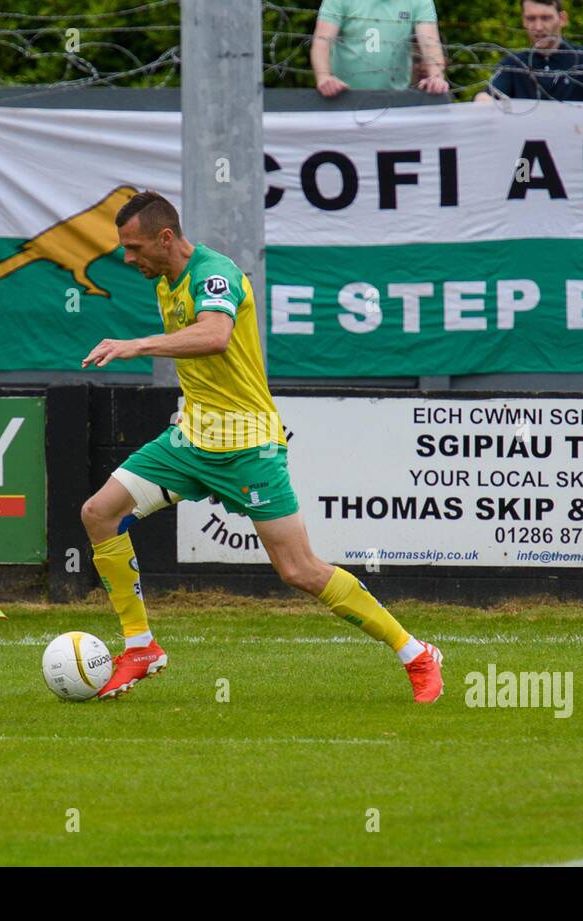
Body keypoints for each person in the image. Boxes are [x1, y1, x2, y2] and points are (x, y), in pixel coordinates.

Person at [80, 191, 444, 703]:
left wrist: (136, 345)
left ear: (166, 238)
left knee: (299, 571)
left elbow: (215, 336)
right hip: (190, 440)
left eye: (135, 247)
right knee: (98, 513)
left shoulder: (215, 274)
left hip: (247, 444)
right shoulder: (164, 280)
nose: (128, 259)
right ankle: (140, 646)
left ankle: (416, 653)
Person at [475, 0, 583, 104]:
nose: (538, 27)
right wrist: (482, 100)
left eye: (546, 18)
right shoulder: (513, 63)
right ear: (523, 20)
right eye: (531, 18)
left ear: (562, 19)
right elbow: (487, 96)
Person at [312, 0, 448, 97]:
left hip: (395, 99)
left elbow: (430, 42)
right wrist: (323, 77)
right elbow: (322, 41)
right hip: (342, 96)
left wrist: (436, 77)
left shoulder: (420, 2)